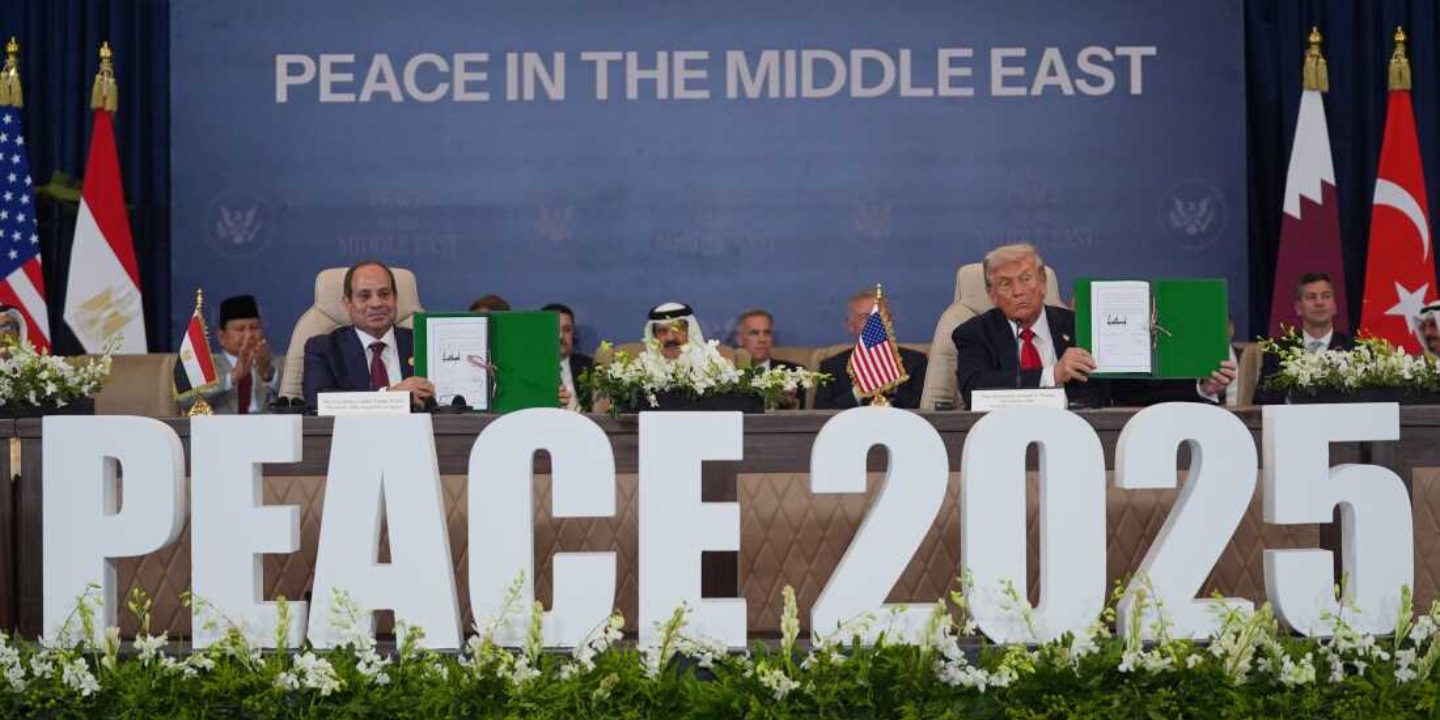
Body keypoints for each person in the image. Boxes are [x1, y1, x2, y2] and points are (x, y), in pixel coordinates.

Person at [952, 243, 1235, 409]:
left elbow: (1130, 390)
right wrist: (1053, 374)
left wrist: (1201, 387)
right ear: (992, 294)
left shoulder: (1083, 327)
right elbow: (975, 389)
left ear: (1043, 284)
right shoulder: (974, 333)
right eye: (1005, 284)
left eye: (1026, 279)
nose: (1018, 291)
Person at [303, 260, 435, 408]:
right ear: (348, 303)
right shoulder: (324, 349)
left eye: (384, 294)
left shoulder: (424, 342)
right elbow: (317, 401)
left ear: (395, 298)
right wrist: (392, 395)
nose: (376, 304)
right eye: (364, 296)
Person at [815, 289, 928, 409]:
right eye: (866, 317)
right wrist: (858, 391)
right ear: (851, 325)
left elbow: (927, 411)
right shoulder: (831, 367)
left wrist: (893, 388)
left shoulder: (916, 362)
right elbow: (819, 414)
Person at [1255, 272, 1353, 404]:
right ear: (1298, 308)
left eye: (1326, 296)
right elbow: (1262, 401)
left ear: (1335, 306)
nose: (1319, 302)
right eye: (1311, 297)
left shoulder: (1354, 350)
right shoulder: (1277, 352)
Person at [180, 295, 283, 414]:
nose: (249, 335)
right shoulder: (206, 365)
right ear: (222, 337)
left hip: (267, 425)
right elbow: (185, 400)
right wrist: (232, 377)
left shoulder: (277, 363)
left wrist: (269, 373)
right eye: (240, 329)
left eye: (254, 328)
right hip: (221, 425)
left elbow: (296, 399)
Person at [543, 302, 593, 411]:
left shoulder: (591, 368)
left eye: (566, 330)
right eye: (554, 329)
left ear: (573, 334)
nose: (561, 336)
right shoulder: (528, 370)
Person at [733, 309, 802, 371]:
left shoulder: (795, 372)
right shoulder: (731, 374)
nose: (762, 339)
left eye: (767, 333)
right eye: (754, 333)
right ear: (740, 339)